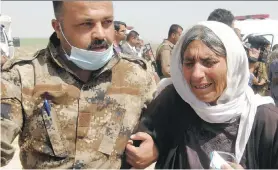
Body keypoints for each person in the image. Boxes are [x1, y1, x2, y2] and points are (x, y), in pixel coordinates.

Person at [1, 1, 157, 169]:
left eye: (107, 23)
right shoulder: (23, 76)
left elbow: (170, 124)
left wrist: (157, 147)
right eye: (86, 24)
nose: (100, 34)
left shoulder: (138, 74)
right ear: (58, 27)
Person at [125, 21, 278, 169]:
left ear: (233, 64)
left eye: (209, 62)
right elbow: (141, 141)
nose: (196, 74)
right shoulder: (174, 100)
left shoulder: (265, 119)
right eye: (189, 63)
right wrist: (152, 149)